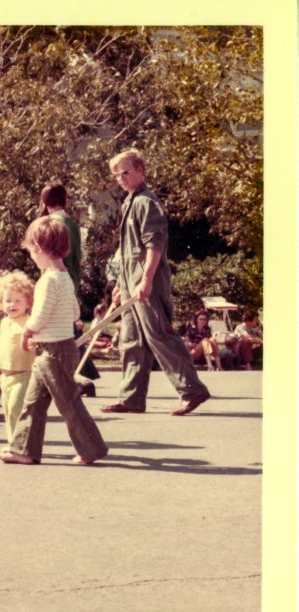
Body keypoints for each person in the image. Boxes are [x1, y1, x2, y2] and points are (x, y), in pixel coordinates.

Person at [102, 148, 210, 416]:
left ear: (141, 170)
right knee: (131, 340)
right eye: (117, 175)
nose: (121, 178)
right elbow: (127, 250)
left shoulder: (146, 203)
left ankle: (192, 390)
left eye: (126, 172)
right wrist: (120, 283)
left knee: (159, 335)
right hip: (131, 282)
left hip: (146, 281)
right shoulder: (129, 201)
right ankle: (131, 397)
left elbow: (154, 245)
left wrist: (146, 279)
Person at [0, 217, 108, 465]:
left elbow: (41, 313)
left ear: (39, 247)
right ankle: (23, 449)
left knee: (69, 403)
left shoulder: (47, 280)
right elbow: (75, 314)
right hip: (56, 349)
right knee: (33, 402)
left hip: (53, 353)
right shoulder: (64, 276)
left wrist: (29, 331)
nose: (32, 256)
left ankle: (92, 448)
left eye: (32, 251)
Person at [38, 182, 100, 395]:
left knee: (62, 329)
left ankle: (80, 374)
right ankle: (86, 371)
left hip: (57, 274)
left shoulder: (52, 223)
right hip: (71, 275)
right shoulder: (71, 222)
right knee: (68, 325)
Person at [0, 271, 36, 444]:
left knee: (16, 409)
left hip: (23, 375)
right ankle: (12, 442)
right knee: (8, 410)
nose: (12, 305)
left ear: (28, 302)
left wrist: (32, 343)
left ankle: (19, 444)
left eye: (18, 301)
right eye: (7, 300)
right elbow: (2, 341)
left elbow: (33, 339)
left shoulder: (28, 322)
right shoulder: (6, 321)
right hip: (5, 377)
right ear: (0, 302)